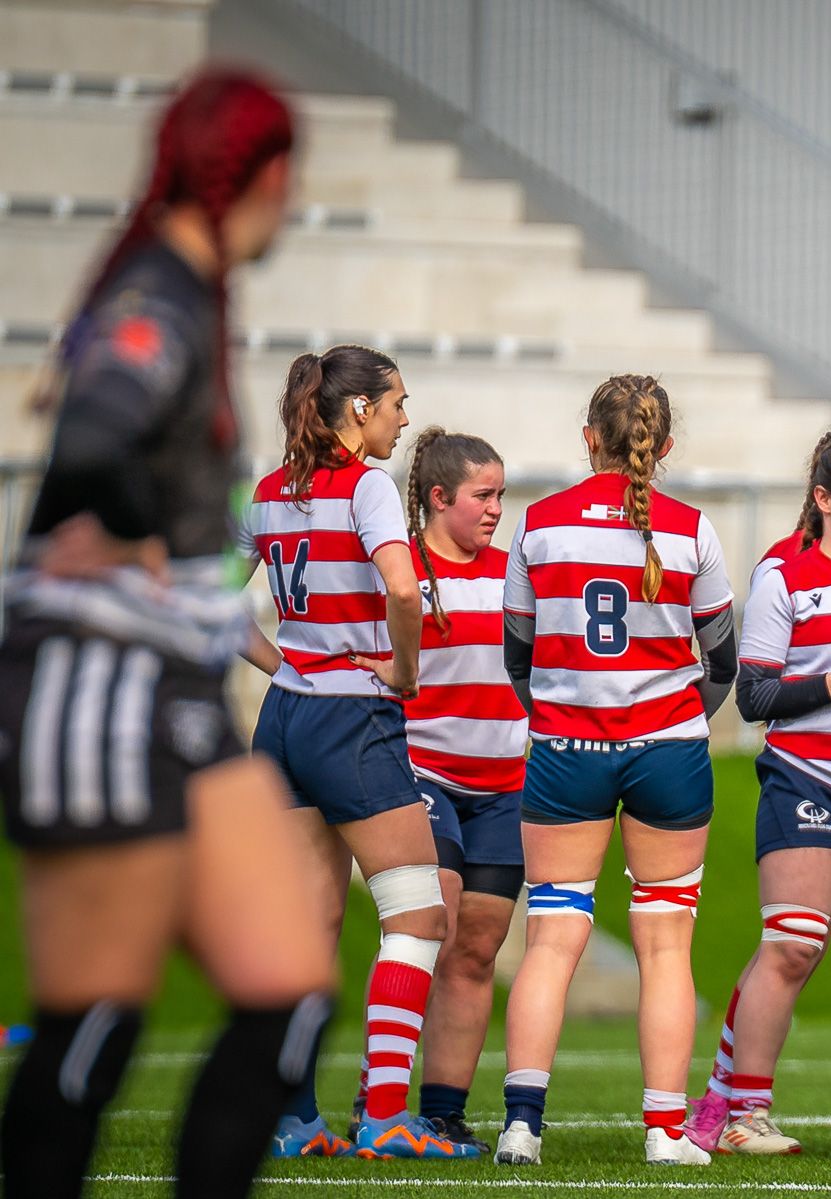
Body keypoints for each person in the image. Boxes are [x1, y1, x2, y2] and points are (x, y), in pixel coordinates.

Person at [0, 70, 339, 1199]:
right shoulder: (159, 292)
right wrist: (136, 532)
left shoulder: (185, 289)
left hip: (175, 690)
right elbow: (96, 434)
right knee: (97, 1012)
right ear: (265, 175)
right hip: (96, 677)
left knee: (290, 986)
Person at [495, 374, 738, 1168]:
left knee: (552, 936)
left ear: (588, 438)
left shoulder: (537, 525)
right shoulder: (693, 528)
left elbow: (519, 655)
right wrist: (673, 723)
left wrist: (566, 710)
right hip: (669, 751)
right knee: (667, 946)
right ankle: (666, 1132)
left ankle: (521, 1125)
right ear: (662, 447)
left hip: (567, 751)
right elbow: (723, 660)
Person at [239, 345, 476, 1160]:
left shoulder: (270, 491)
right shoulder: (366, 487)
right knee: (417, 917)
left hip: (284, 719)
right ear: (359, 411)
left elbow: (208, 605)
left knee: (307, 927)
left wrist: (284, 662)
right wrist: (405, 671)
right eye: (397, 403)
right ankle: (383, 1115)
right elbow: (406, 590)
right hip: (352, 719)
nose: (405, 419)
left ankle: (293, 1119)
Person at [691, 424, 831, 1154]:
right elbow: (752, 695)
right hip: (804, 775)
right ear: (823, 497)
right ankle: (744, 1110)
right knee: (794, 943)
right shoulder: (785, 571)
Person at [398, 429, 529, 1154]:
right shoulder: (402, 570)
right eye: (483, 495)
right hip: (421, 775)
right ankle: (380, 1096)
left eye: (501, 495)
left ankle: (444, 1109)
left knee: (478, 946)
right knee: (431, 924)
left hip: (507, 785)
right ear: (439, 497)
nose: (495, 509)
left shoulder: (516, 574)